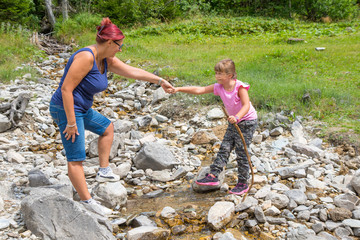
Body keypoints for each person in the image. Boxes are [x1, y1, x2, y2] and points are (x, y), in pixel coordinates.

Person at [49, 17, 174, 215]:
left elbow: (132, 72)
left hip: (81, 109)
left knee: (107, 128)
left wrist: (160, 80)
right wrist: (71, 123)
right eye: (119, 46)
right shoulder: (86, 57)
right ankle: (88, 203)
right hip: (65, 108)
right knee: (76, 158)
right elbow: (66, 89)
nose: (120, 49)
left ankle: (104, 171)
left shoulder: (105, 59)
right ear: (109, 42)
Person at [171, 59, 257, 195]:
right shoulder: (219, 87)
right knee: (225, 148)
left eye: (220, 74)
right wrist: (178, 89)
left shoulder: (240, 87)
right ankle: (213, 175)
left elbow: (246, 105)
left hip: (246, 121)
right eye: (216, 73)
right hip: (233, 121)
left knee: (241, 153)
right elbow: (200, 90)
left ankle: (242, 183)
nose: (217, 76)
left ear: (230, 75)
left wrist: (237, 117)